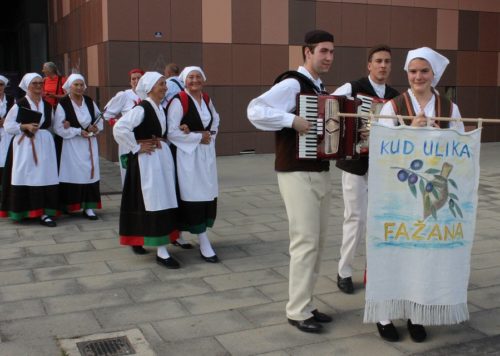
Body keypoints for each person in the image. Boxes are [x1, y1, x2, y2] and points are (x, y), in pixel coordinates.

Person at [373, 47, 465, 343]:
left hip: (432, 193)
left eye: (424, 71)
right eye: (413, 71)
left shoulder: (449, 109)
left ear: (434, 74)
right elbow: (381, 148)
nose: (417, 76)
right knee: (392, 248)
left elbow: (461, 151)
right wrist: (408, 132)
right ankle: (384, 313)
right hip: (397, 193)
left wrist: (445, 135)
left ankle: (415, 312)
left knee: (421, 253)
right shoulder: (393, 107)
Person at [247, 30, 335, 333]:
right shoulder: (292, 83)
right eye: (323, 51)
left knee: (318, 242)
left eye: (331, 52)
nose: (328, 57)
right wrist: (291, 120)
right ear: (307, 52)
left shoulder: (319, 87)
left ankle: (306, 303)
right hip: (296, 171)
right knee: (305, 241)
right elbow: (255, 110)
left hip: (318, 170)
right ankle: (297, 311)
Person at [332, 45, 399, 294]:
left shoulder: (396, 96)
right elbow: (329, 108)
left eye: (387, 61)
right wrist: (351, 128)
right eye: (378, 61)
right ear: (369, 65)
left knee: (378, 220)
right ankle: (344, 271)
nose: (383, 65)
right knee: (355, 218)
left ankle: (374, 271)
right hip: (355, 163)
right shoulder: (352, 87)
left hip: (382, 165)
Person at [113, 72, 179, 268]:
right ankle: (161, 250)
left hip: (158, 160)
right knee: (152, 201)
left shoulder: (158, 107)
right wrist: (136, 147)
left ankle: (140, 238)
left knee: (155, 200)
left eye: (165, 84)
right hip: (146, 162)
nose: (165, 87)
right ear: (150, 87)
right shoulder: (142, 108)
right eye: (161, 84)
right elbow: (119, 127)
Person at [166, 66, 220, 263]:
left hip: (206, 153)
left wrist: (210, 137)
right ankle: (203, 240)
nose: (195, 80)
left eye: (198, 77)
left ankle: (179, 234)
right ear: (184, 81)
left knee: (206, 191)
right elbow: (171, 131)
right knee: (192, 193)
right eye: (191, 77)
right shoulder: (179, 101)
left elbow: (215, 121)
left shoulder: (206, 99)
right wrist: (198, 137)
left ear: (203, 80)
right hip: (187, 156)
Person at [0, 73, 59, 227]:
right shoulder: (20, 104)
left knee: (45, 175)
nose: (39, 86)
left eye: (41, 83)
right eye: (35, 83)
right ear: (27, 85)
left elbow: (52, 123)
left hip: (44, 145)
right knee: (27, 175)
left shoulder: (47, 105)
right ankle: (25, 210)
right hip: (25, 145)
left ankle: (45, 213)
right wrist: (24, 126)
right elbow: (8, 126)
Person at [103, 68, 147, 254]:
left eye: (138, 78)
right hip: (128, 144)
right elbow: (106, 114)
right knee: (130, 179)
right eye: (133, 79)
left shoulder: (148, 96)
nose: (135, 81)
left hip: (146, 145)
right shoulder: (124, 96)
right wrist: (119, 124)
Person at [53, 74, 103, 220]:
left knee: (89, 174)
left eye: (81, 85)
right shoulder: (63, 103)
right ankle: (69, 206)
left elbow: (99, 119)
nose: (80, 87)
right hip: (71, 145)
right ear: (69, 86)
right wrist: (77, 131)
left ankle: (89, 207)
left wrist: (96, 128)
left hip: (89, 144)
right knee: (72, 173)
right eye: (76, 85)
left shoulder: (89, 101)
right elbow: (58, 127)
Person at [0, 75, 15, 183]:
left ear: (4, 86)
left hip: (7, 133)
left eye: (1, 84)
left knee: (8, 159)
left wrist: (6, 121)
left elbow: (16, 115)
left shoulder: (10, 98)